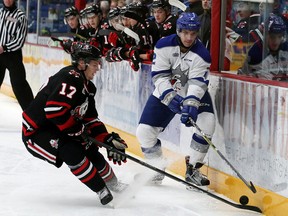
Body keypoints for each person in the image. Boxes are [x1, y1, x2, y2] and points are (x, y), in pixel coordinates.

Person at [22, 42, 128, 205]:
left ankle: (114, 184)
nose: (97, 68)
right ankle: (101, 189)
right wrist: (79, 131)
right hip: (37, 131)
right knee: (72, 151)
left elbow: (90, 118)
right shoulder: (70, 78)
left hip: (60, 126)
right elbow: (54, 111)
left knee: (91, 150)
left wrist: (105, 139)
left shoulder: (88, 87)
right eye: (94, 64)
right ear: (81, 63)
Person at [136, 12, 215, 186]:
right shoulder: (163, 45)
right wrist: (170, 97)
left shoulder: (202, 54)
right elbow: (159, 76)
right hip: (166, 91)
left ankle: (193, 169)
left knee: (207, 122)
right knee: (144, 132)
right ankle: (156, 167)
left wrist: (192, 104)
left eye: (193, 34)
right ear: (179, 30)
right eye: (185, 33)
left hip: (191, 93)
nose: (189, 37)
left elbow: (197, 82)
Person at [0, 0, 34, 110]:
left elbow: (20, 41)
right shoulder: (0, 13)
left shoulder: (20, 16)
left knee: (19, 86)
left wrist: (4, 47)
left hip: (13, 55)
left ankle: (33, 115)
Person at [239, 15, 288, 81]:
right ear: (264, 35)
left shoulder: (285, 48)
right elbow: (267, 84)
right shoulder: (256, 53)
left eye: (279, 36)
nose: (276, 41)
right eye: (272, 37)